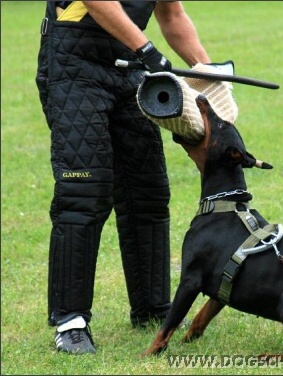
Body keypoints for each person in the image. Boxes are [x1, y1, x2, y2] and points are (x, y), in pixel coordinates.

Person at [36, 0, 213, 354]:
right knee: (83, 191)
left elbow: (172, 14)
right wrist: (146, 49)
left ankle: (152, 308)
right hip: (74, 66)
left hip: (129, 67)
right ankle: (70, 321)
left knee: (147, 190)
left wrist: (209, 74)